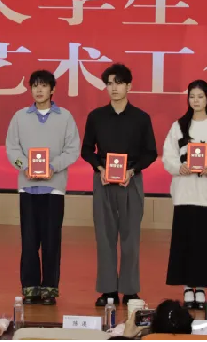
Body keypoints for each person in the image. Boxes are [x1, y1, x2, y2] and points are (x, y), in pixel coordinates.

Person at [81, 64, 157, 308]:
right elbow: (86, 150)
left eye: (119, 83)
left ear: (129, 86)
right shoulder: (96, 117)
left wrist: (133, 170)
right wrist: (99, 168)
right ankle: (108, 290)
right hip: (103, 180)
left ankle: (130, 290)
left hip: (131, 180)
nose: (113, 88)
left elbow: (150, 152)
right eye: (109, 83)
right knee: (104, 236)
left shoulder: (141, 118)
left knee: (130, 237)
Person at [5, 70, 80, 306]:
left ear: (52, 89)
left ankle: (49, 289)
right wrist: (25, 166)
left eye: (44, 86)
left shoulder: (65, 117)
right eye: (35, 86)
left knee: (51, 240)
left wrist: (52, 167)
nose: (39, 90)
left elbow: (72, 149)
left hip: (54, 188)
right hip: (27, 187)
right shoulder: (19, 117)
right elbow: (12, 148)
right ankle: (30, 288)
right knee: (29, 241)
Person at [162, 80, 207, 310]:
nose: (196, 100)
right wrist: (178, 167)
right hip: (184, 192)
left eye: (200, 96)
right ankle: (186, 286)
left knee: (205, 242)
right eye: (192, 96)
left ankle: (201, 286)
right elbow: (168, 155)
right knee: (184, 241)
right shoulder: (178, 126)